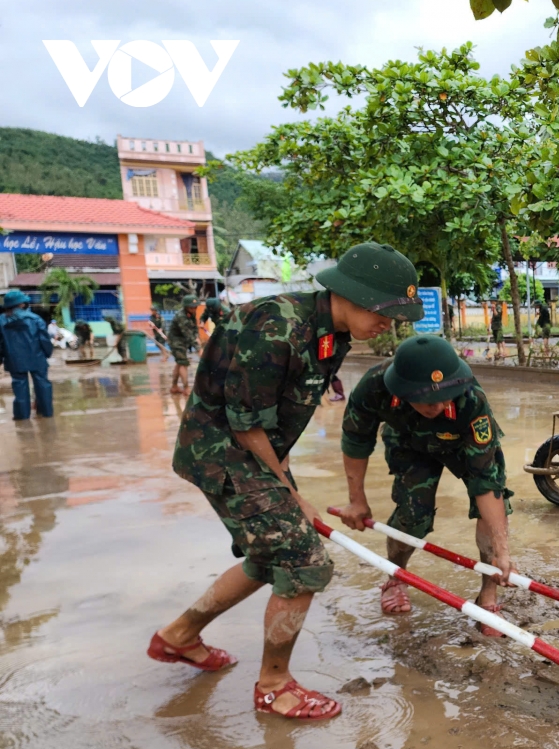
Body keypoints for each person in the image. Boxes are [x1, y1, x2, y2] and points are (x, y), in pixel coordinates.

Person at [148, 242, 421, 720]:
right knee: (304, 561)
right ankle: (274, 685)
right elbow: (246, 422)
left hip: (253, 449)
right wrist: (294, 497)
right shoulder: (278, 325)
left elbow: (282, 421)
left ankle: (178, 636)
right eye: (386, 312)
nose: (389, 324)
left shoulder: (330, 336)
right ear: (353, 295)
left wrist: (288, 486)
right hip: (222, 452)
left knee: (268, 555)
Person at [339, 335, 515, 636]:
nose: (438, 405)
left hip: (461, 442)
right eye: (427, 399)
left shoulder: (470, 400)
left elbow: (486, 482)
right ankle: (395, 576)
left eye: (445, 396)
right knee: (412, 517)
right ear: (401, 389)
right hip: (408, 441)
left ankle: (487, 596)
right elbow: (356, 440)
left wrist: (503, 548)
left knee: (491, 518)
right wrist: (356, 500)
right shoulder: (374, 387)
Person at [0, 290, 54, 420]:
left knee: (19, 386)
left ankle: (22, 416)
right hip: (37, 357)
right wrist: (47, 354)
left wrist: (2, 359)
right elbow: (45, 340)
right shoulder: (35, 319)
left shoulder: (1, 320)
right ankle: (46, 413)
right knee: (43, 385)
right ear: (22, 304)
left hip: (14, 360)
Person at [168, 297, 200, 394]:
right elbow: (187, 333)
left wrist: (197, 337)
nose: (194, 310)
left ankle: (174, 386)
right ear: (186, 307)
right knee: (183, 363)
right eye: (191, 308)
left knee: (179, 362)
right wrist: (198, 349)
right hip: (175, 340)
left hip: (183, 340)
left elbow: (194, 328)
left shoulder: (192, 313)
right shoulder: (180, 316)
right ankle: (186, 388)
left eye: (195, 307)